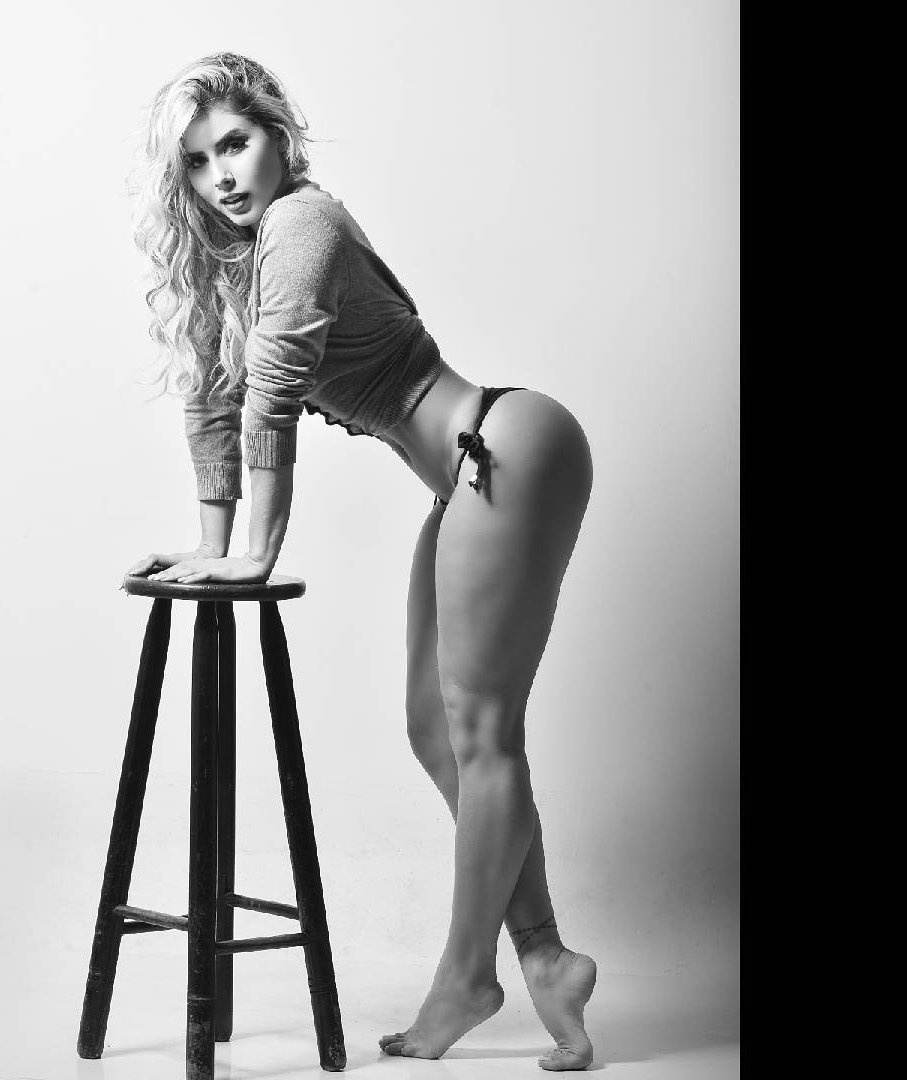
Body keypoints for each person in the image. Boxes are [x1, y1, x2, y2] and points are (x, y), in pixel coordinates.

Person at [127, 52, 597, 1072]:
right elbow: (214, 402)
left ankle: (468, 979)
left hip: (503, 445)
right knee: (438, 732)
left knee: (483, 732)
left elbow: (275, 384)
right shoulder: (238, 261)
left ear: (279, 136)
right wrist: (212, 549)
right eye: (198, 161)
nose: (222, 174)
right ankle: (548, 959)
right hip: (467, 475)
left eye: (236, 144)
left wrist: (257, 552)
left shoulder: (303, 222)